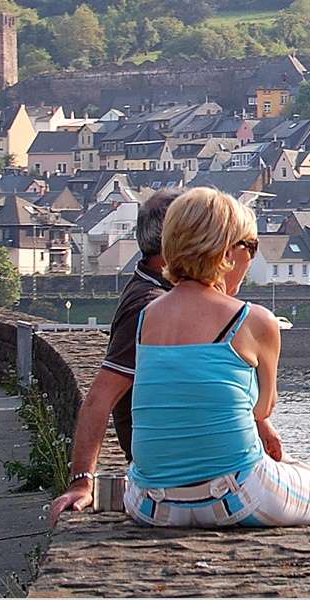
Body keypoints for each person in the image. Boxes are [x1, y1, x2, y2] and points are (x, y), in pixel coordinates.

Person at [121, 187, 310, 598]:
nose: (251, 258)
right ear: (226, 252)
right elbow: (263, 405)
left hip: (149, 502)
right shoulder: (254, 321)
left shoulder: (146, 318)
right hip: (234, 493)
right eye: (250, 246)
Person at [49, 188, 181, 526]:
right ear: (173, 243)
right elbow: (99, 398)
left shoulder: (158, 292)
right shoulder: (149, 305)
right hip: (164, 472)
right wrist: (82, 481)